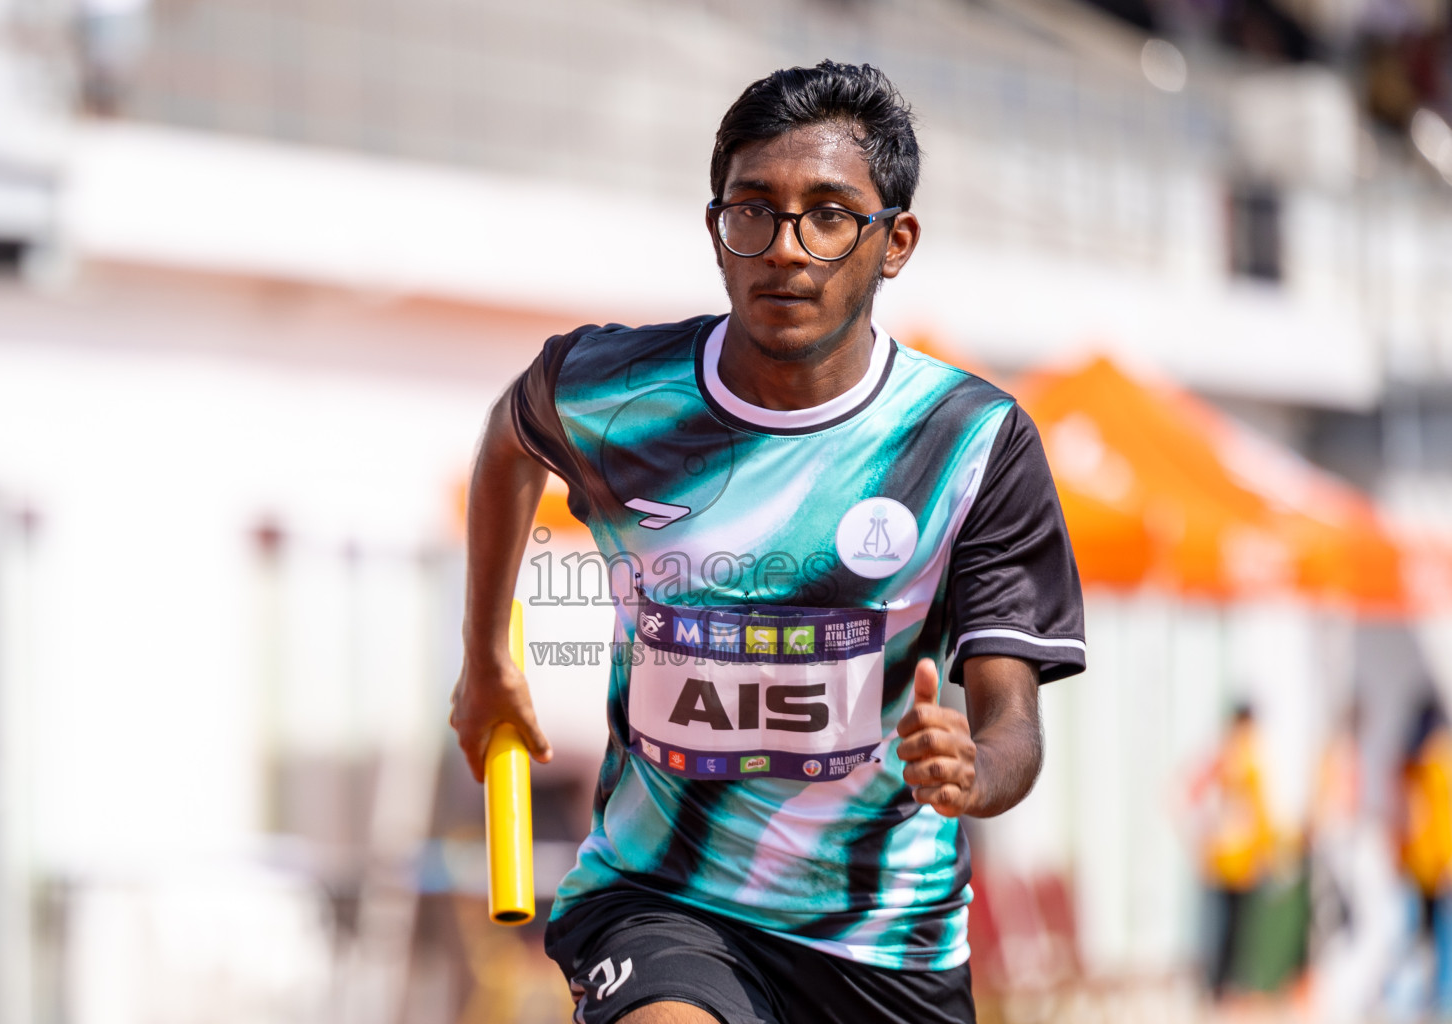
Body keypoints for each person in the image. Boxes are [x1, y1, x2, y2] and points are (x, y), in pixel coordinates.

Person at [451, 61, 1086, 1024]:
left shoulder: (970, 442)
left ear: (895, 242)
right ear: (718, 230)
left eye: (829, 215)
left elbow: (1013, 728)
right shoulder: (614, 392)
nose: (786, 249)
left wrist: (973, 769)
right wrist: (487, 659)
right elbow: (510, 439)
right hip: (662, 900)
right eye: (754, 211)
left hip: (886, 943)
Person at [1189, 703, 1274, 1000]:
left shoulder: (1246, 758)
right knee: (1226, 928)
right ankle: (1220, 987)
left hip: (1244, 859)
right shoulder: (1229, 757)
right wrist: (1206, 833)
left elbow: (1260, 812)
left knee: (1239, 929)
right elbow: (1194, 793)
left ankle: (1231, 986)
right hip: (1228, 859)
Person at [1396, 698, 1452, 1016]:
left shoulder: (1411, 762)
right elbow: (1444, 820)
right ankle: (1438, 996)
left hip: (1417, 860)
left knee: (1423, 932)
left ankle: (1424, 995)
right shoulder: (1439, 764)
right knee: (1440, 934)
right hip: (1438, 861)